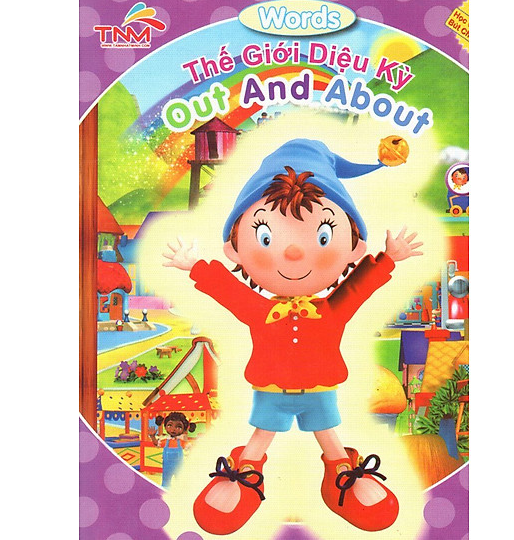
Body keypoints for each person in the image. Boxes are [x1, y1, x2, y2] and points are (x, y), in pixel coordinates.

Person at [163, 138, 423, 534]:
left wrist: (388, 259)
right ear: (236, 247)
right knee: (261, 436)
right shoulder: (261, 312)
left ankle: (341, 470)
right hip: (272, 391)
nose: (294, 253)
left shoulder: (331, 310)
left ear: (353, 246)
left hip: (320, 390)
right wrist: (195, 265)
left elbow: (357, 288)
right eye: (266, 237)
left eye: (323, 236)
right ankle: (246, 470)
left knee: (329, 434)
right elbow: (228, 290)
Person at [149, 411, 196, 488]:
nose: (173, 429)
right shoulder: (165, 441)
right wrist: (152, 436)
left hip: (179, 467)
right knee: (166, 481)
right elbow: (157, 443)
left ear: (183, 429)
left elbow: (190, 446)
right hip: (167, 467)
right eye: (170, 425)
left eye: (178, 427)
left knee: (180, 481)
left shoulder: (181, 442)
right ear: (165, 426)